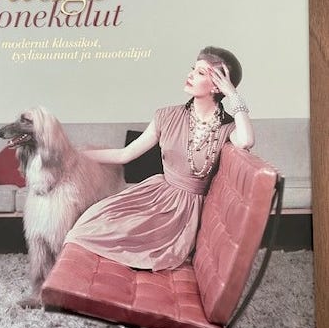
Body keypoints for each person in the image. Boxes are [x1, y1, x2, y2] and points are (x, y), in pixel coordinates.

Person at [63, 46, 255, 271]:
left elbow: (246, 141)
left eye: (201, 72)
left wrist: (233, 95)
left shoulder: (228, 127)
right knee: (92, 222)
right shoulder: (166, 115)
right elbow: (125, 154)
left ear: (217, 86)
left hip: (184, 211)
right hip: (155, 193)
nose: (191, 74)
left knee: (127, 240)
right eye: (193, 68)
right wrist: (74, 155)